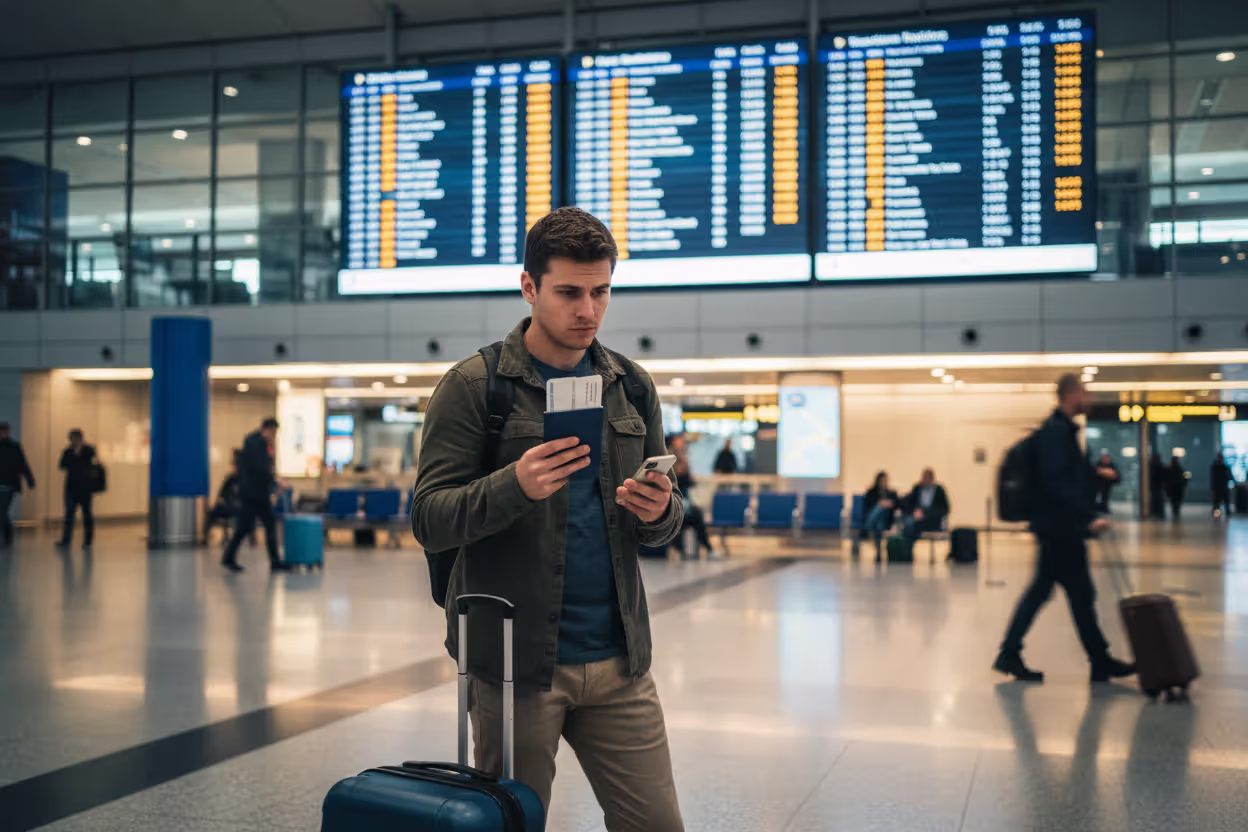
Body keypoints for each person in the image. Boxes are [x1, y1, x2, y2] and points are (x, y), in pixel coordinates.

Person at [411, 207, 685, 830]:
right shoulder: (476, 387)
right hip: (514, 667)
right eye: (568, 293)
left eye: (601, 292)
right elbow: (429, 518)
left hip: (620, 662)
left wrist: (661, 510)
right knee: (514, 824)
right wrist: (514, 485)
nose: (588, 310)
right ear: (529, 287)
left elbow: (662, 518)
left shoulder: (630, 386)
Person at [994, 373, 1135, 684]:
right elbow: (1056, 482)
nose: (1090, 398)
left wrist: (1095, 476)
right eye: (1085, 392)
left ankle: (1095, 659)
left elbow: (1068, 476)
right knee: (1065, 594)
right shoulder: (1056, 433)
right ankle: (1096, 660)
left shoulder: (1062, 431)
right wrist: (1088, 516)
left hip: (1059, 527)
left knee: (1067, 594)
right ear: (1071, 394)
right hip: (1059, 529)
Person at [221, 418, 291, 573]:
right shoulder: (257, 445)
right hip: (256, 494)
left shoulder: (252, 442)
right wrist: (276, 479)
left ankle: (229, 558)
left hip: (252, 493)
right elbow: (261, 468)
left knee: (245, 527)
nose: (273, 436)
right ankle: (275, 562)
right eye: (273, 433)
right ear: (267, 429)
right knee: (268, 525)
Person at [670, 432, 714, 558]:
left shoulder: (684, 460)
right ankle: (679, 548)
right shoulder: (670, 459)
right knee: (679, 518)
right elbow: (675, 481)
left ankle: (707, 548)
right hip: (673, 504)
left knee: (697, 516)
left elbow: (689, 482)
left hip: (684, 503)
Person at [58, 429, 97, 549]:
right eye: (71, 439)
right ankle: (66, 540)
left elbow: (93, 464)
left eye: (74, 438)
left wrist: (78, 455)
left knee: (87, 515)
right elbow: (62, 465)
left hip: (85, 489)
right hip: (71, 488)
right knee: (69, 516)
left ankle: (87, 541)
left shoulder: (89, 450)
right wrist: (73, 456)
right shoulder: (68, 451)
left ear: (80, 438)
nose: (72, 441)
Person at [0, 422, 35, 546]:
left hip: (9, 484)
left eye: (6, 432)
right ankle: (8, 535)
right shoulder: (14, 447)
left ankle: (7, 536)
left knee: (2, 511)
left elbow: (22, 464)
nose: (4, 434)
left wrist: (30, 480)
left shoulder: (14, 447)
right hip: (6, 483)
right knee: (2, 511)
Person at [858, 471, 899, 562]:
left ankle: (866, 528)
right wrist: (880, 504)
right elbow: (867, 507)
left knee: (879, 515)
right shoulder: (871, 493)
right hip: (874, 519)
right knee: (878, 515)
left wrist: (888, 504)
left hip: (886, 520)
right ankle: (878, 552)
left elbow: (898, 504)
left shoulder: (891, 493)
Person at [902, 468, 950, 542]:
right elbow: (909, 503)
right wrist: (914, 511)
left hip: (932, 519)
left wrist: (925, 513)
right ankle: (906, 544)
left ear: (931, 479)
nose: (924, 481)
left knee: (910, 525)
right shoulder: (917, 488)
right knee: (908, 523)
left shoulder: (939, 490)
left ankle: (907, 545)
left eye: (926, 478)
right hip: (917, 517)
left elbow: (945, 509)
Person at [204, 451, 242, 544]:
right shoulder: (229, 479)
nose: (233, 468)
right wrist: (221, 500)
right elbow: (222, 492)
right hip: (228, 505)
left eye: (235, 467)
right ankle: (205, 536)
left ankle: (236, 538)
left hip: (239, 507)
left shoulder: (243, 479)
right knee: (213, 511)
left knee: (240, 513)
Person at [1211, 452, 1234, 519]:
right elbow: (1230, 477)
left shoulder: (1215, 467)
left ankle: (1216, 514)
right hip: (1223, 487)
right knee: (1224, 501)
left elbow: (1213, 479)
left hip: (1218, 487)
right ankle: (1225, 513)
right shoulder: (1224, 467)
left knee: (1217, 502)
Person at [1166, 455, 1188, 520]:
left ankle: (1175, 513)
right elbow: (1185, 479)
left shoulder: (1170, 469)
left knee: (1174, 502)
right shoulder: (1180, 469)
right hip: (1177, 489)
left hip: (1174, 489)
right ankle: (1176, 513)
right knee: (1176, 502)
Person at [1148, 451, 1167, 519]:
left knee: (1156, 500)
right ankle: (1156, 512)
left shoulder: (1150, 466)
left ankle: (1155, 512)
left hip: (1156, 487)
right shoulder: (1159, 466)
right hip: (1156, 487)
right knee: (1156, 500)